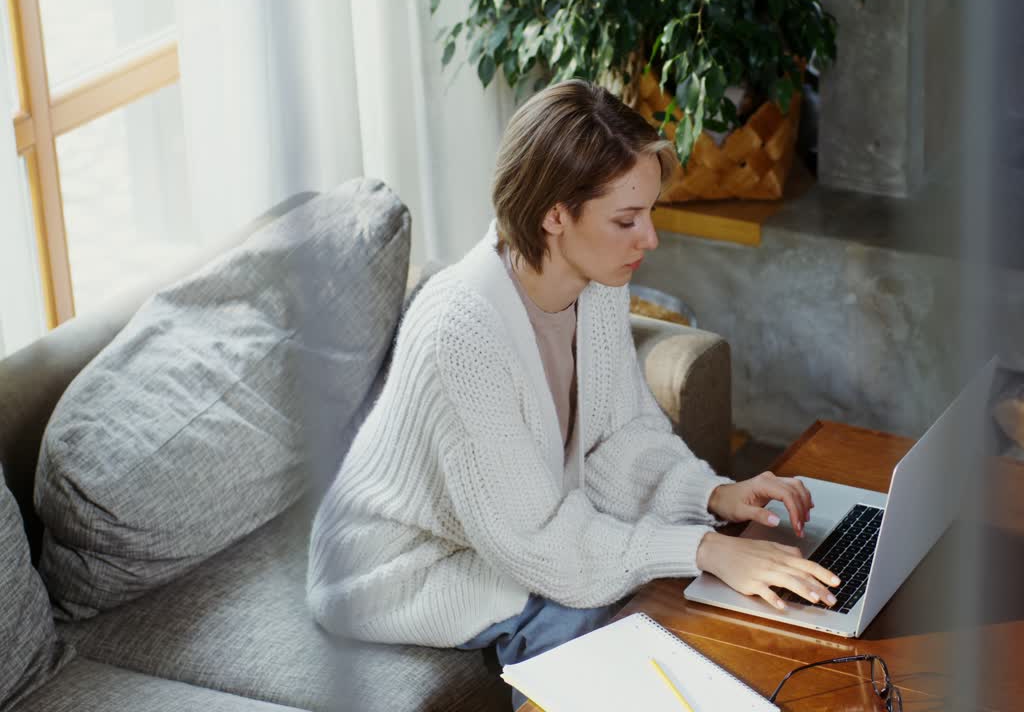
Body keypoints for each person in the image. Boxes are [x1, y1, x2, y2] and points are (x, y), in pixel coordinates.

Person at [306, 79, 840, 710]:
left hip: (513, 523)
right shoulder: (462, 332)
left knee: (695, 576)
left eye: (648, 212)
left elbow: (621, 436)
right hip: (406, 562)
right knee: (587, 622)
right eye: (626, 220)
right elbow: (538, 544)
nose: (650, 239)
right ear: (554, 214)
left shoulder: (597, 281)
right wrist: (702, 546)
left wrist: (713, 496)